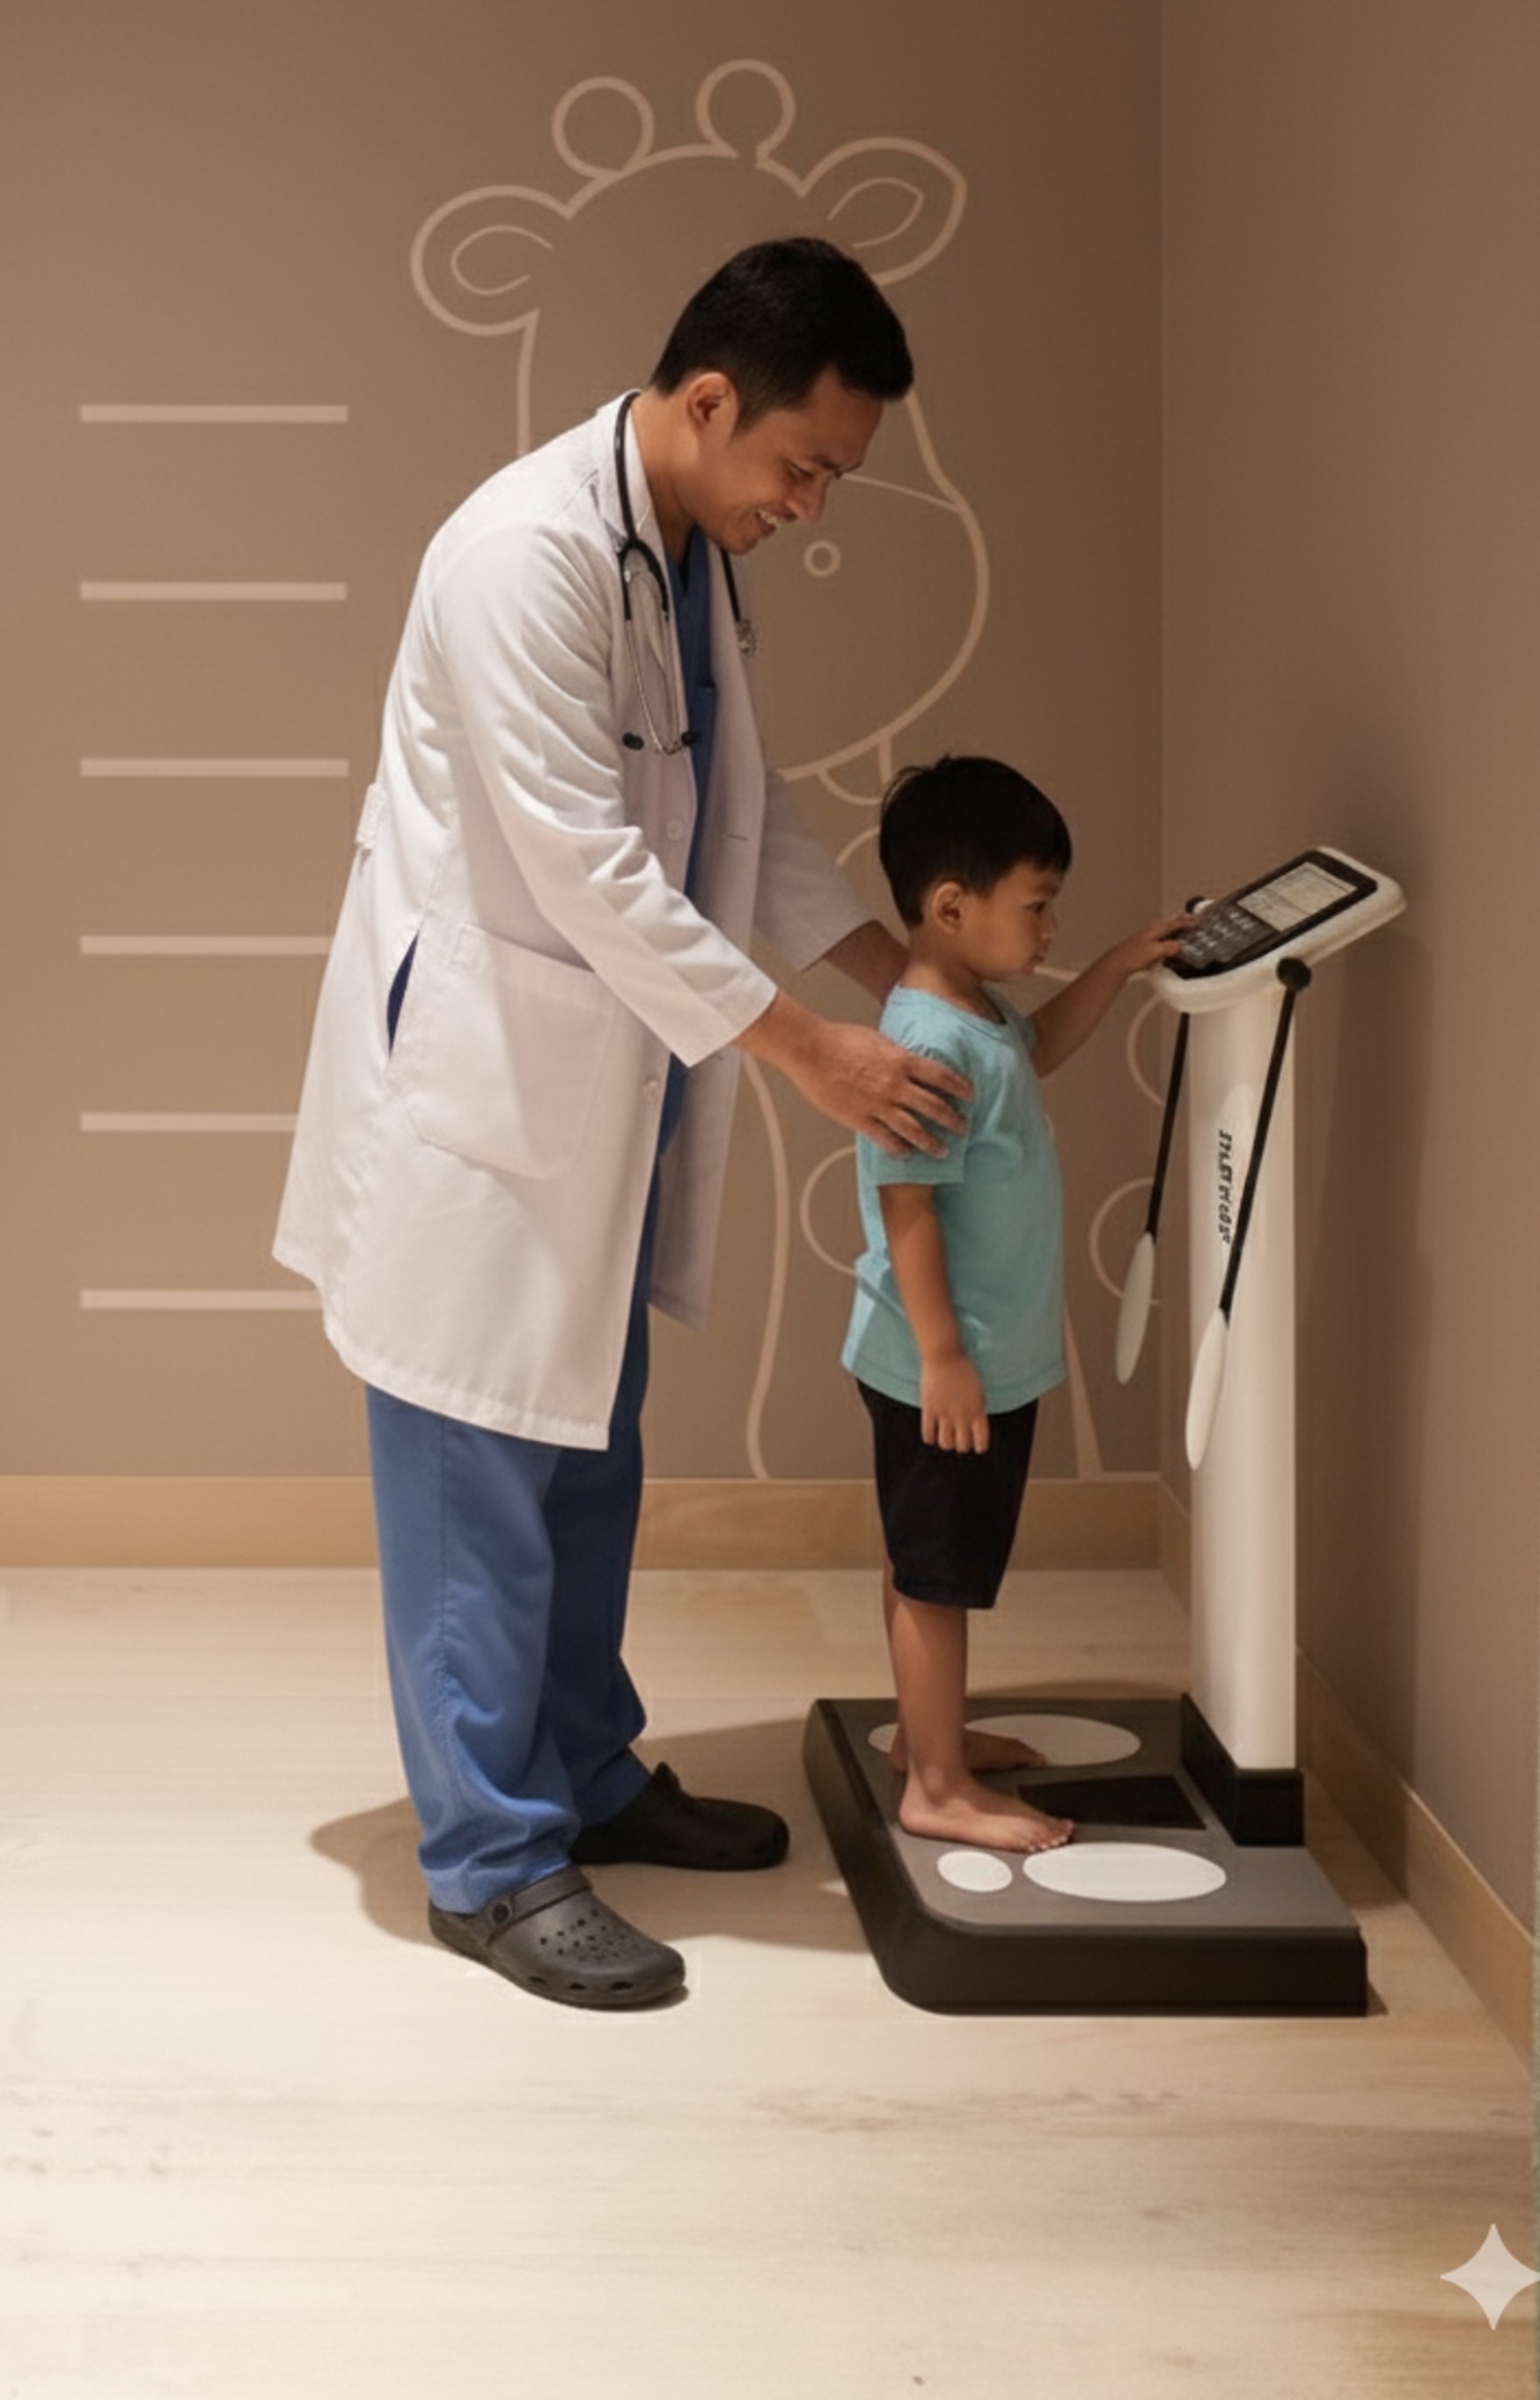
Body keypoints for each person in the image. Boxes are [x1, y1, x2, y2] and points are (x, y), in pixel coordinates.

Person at [275, 237, 971, 2008]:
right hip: (489, 1086)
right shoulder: (525, 553)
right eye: (801, 466)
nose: (808, 507)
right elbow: (586, 864)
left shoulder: (682, 554)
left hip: (604, 1079)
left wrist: (907, 971)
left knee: (590, 1455)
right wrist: (814, 1050)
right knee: (482, 1469)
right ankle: (491, 1864)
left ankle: (581, 1768)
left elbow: (741, 821)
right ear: (710, 400)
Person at [841, 755, 1189, 1852]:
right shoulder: (929, 1042)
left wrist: (1122, 965)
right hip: (951, 1365)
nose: (1048, 931)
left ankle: (928, 1737)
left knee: (929, 1559)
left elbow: (1038, 1049)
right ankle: (936, 1784)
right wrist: (945, 1357)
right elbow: (908, 1207)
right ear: (953, 908)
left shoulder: (975, 1016)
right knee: (936, 1575)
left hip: (969, 1357)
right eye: (1036, 907)